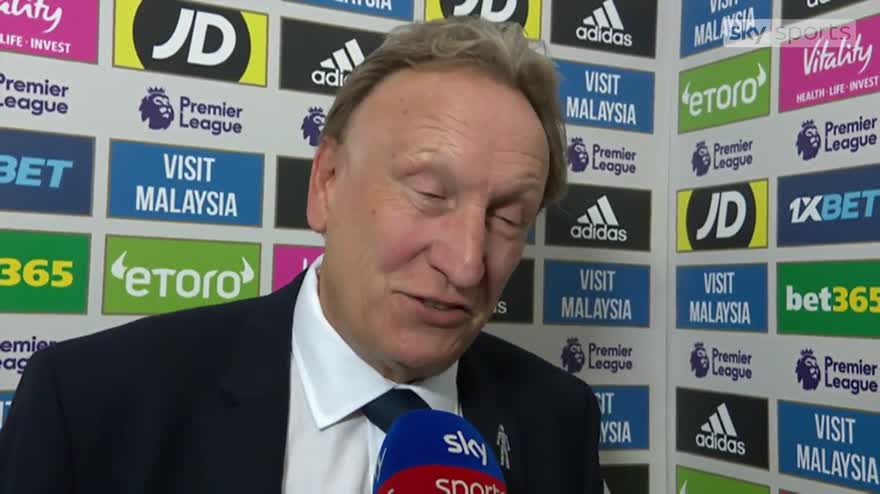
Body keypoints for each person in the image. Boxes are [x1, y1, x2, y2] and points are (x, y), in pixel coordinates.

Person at [0, 16, 603, 493]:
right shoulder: (90, 405)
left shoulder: (557, 419)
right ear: (327, 183)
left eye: (507, 218)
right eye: (428, 193)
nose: (467, 265)